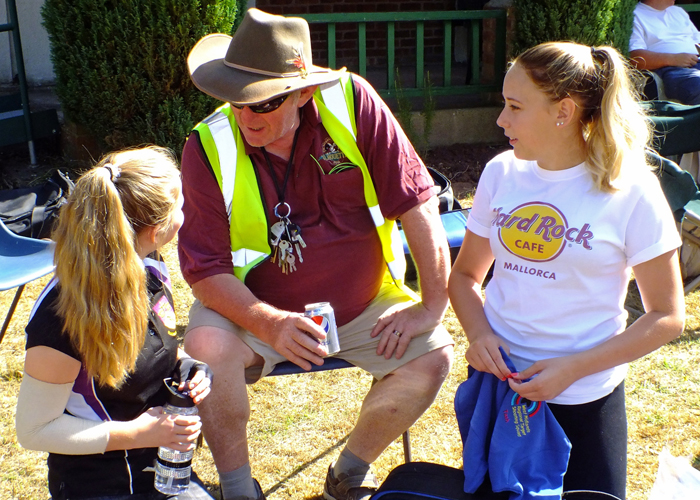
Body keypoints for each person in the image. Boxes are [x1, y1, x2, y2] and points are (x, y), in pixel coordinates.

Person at [179, 8, 454, 500]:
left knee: (432, 358)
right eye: (235, 100)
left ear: (304, 92)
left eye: (261, 104)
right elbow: (205, 271)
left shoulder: (353, 104)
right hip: (250, 312)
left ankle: (346, 475)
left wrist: (432, 306)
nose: (244, 116)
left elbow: (417, 203)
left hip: (364, 306)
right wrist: (269, 323)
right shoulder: (206, 145)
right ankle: (239, 490)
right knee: (204, 352)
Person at [448, 42, 685, 499]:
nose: (501, 120)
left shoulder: (632, 189)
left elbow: (667, 317)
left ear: (564, 111)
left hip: (586, 399)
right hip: (500, 393)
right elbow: (463, 278)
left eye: (515, 106)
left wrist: (573, 369)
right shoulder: (501, 173)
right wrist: (478, 335)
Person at [15, 146, 215, 500]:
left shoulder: (150, 264)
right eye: (180, 205)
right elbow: (34, 429)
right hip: (99, 483)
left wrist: (187, 366)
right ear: (156, 230)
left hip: (159, 465)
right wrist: (139, 435)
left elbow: (150, 350)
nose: (186, 213)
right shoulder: (59, 318)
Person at [629, 0, 700, 104]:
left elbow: (697, 40)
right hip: (672, 70)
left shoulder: (678, 12)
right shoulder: (635, 15)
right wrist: (674, 59)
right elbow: (636, 58)